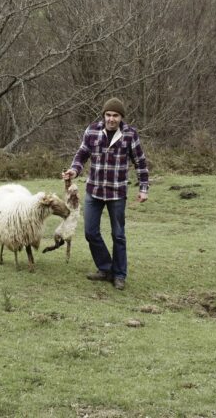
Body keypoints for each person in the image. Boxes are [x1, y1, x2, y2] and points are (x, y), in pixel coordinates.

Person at [62, 97, 149, 291]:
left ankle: (119, 275)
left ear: (121, 117)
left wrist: (143, 188)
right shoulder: (92, 130)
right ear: (104, 115)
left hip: (117, 192)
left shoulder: (130, 135)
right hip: (94, 190)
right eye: (108, 115)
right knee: (90, 232)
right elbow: (81, 155)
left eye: (115, 115)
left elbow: (140, 163)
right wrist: (73, 171)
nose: (111, 119)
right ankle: (106, 268)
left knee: (118, 235)